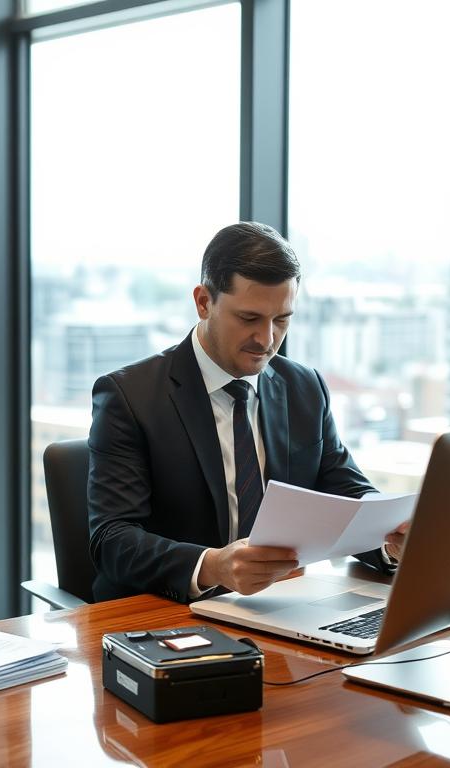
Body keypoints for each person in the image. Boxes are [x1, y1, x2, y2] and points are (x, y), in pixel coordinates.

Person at [87, 222, 407, 603]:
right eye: (249, 318)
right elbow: (112, 538)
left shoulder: (304, 388)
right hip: (166, 614)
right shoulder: (129, 396)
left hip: (280, 607)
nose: (267, 340)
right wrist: (212, 565)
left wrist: (392, 538)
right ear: (204, 302)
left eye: (282, 320)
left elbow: (347, 493)